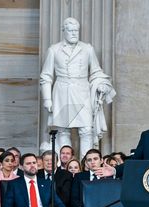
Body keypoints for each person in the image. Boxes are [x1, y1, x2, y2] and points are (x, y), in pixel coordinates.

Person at [40, 17, 116, 158]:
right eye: (71, 30)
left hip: (82, 92)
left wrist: (101, 84)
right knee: (63, 131)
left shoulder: (87, 49)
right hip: (62, 91)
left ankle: (86, 164)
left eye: (76, 30)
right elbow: (46, 76)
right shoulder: (54, 50)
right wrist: (47, 99)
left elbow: (95, 71)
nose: (74, 33)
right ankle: (65, 166)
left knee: (87, 129)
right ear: (64, 31)